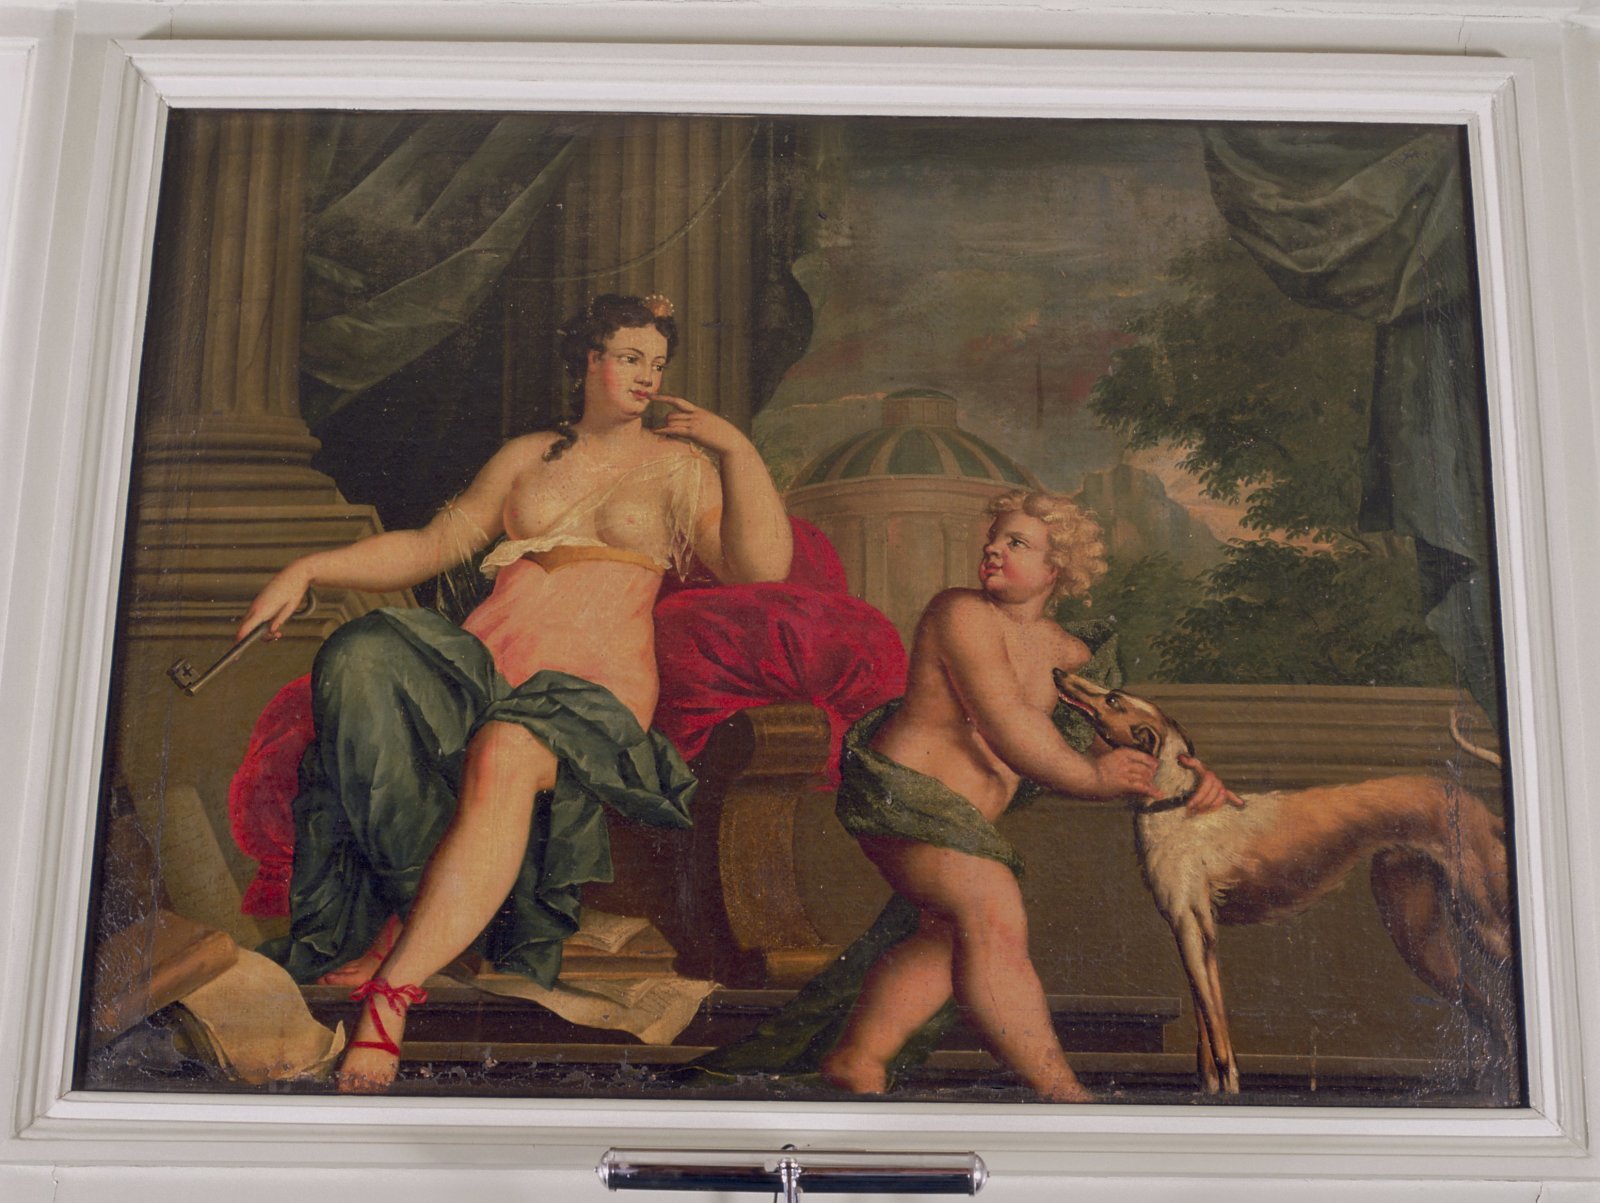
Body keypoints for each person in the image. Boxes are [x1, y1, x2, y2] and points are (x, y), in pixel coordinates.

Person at [236, 293, 792, 1093]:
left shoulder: (682, 466)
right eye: (629, 358)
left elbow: (763, 568)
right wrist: (307, 568)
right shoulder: (529, 455)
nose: (646, 376)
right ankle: (407, 916)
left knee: (504, 749)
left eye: (657, 363)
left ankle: (391, 996)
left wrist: (735, 449)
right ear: (589, 362)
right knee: (365, 653)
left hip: (592, 688)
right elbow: (432, 545)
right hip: (485, 668)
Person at [813, 490, 1238, 1102]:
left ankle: (859, 1059)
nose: (993, 549)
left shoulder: (1070, 654)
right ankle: (1060, 1091)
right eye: (993, 538)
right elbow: (1007, 722)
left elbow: (1113, 735)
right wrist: (1093, 779)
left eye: (1016, 542)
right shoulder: (961, 613)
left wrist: (1187, 776)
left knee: (951, 931)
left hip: (965, 824)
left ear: (1055, 568)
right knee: (992, 911)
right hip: (904, 800)